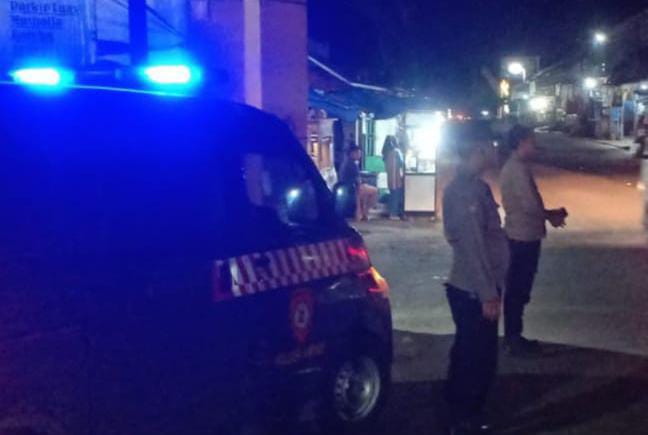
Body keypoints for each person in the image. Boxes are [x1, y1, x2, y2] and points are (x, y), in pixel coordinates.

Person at [442, 127, 509, 435]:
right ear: (478, 150)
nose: (494, 151)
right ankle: (464, 418)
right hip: (472, 289)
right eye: (489, 146)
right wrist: (488, 294)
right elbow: (473, 246)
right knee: (477, 358)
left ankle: (461, 411)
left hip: (476, 287)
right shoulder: (465, 193)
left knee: (469, 352)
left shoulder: (476, 187)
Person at [500, 125, 567, 356]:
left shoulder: (514, 167)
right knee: (518, 289)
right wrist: (551, 215)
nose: (534, 145)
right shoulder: (517, 169)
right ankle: (513, 339)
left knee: (517, 289)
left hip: (520, 234)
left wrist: (549, 215)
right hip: (522, 236)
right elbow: (530, 205)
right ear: (521, 142)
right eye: (531, 141)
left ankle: (513, 337)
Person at [338, 144, 378, 221]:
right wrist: (363, 183)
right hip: (353, 187)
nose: (359, 155)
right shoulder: (353, 164)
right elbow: (358, 180)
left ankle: (362, 212)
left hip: (347, 187)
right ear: (353, 153)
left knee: (365, 190)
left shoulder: (345, 162)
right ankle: (365, 212)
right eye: (358, 153)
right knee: (374, 191)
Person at [382, 135, 405, 220]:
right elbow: (402, 163)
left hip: (390, 177)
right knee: (396, 196)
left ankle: (392, 213)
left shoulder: (386, 153)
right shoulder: (396, 152)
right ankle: (394, 214)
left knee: (393, 195)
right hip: (396, 177)